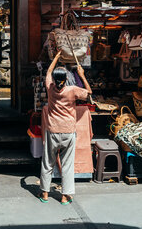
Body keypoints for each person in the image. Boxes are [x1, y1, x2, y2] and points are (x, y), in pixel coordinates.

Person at [39, 50, 91, 205]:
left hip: (53, 130)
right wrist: (81, 75)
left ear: (54, 80)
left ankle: (45, 194)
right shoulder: (72, 90)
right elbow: (89, 92)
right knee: (67, 165)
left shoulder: (50, 88)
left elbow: (48, 71)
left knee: (48, 162)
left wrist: (56, 56)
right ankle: (65, 196)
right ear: (67, 78)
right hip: (68, 131)